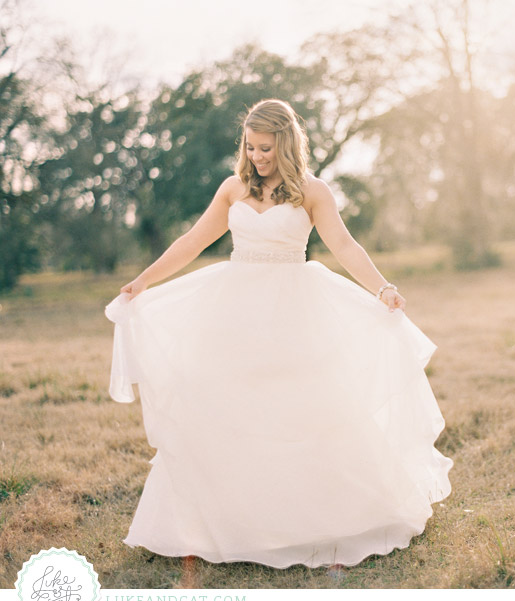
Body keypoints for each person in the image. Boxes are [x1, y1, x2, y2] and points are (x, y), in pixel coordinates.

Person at [104, 98, 453, 572]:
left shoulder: (313, 192)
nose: (257, 157)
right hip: (235, 311)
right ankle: (222, 523)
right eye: (250, 147)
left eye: (266, 148)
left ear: (286, 144)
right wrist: (143, 280)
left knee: (308, 409)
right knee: (225, 409)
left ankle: (317, 520)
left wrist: (383, 287)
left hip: (295, 309)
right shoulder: (232, 189)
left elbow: (344, 245)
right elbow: (192, 240)